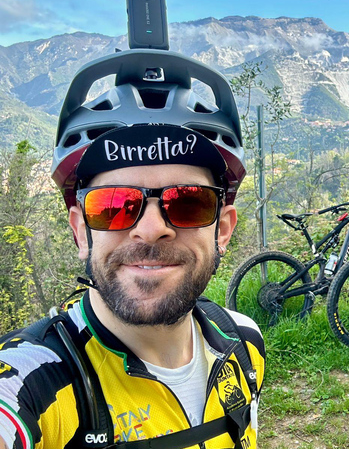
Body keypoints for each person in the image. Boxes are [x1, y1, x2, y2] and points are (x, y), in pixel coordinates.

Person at [0, 50, 265, 449]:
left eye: (188, 202)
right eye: (114, 205)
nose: (152, 229)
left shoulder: (244, 343)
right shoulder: (32, 382)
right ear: (80, 231)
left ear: (223, 229)